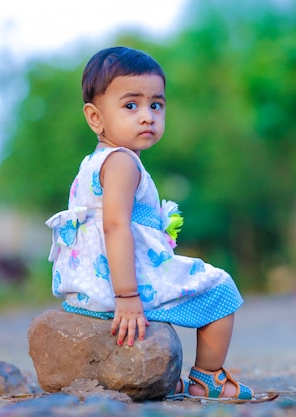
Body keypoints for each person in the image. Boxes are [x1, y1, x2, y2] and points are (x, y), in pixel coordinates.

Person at [45, 46, 253, 401]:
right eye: (131, 105)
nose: (147, 116)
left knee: (186, 289)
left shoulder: (92, 163)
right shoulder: (123, 162)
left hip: (84, 286)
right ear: (95, 118)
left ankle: (158, 377)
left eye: (155, 104)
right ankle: (208, 377)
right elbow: (115, 226)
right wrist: (127, 297)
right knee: (221, 289)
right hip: (117, 283)